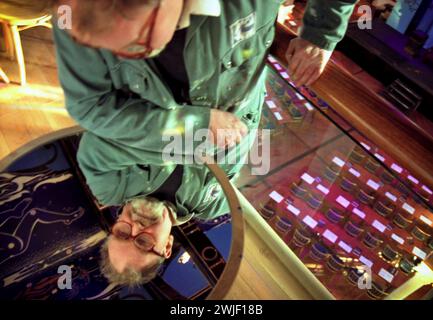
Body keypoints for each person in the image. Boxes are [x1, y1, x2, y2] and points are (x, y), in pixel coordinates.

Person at [43, 0, 357, 286]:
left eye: (123, 233)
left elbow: (101, 144)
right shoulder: (216, 204)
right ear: (166, 246)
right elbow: (240, 144)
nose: (134, 226)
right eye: (141, 242)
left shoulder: (108, 188)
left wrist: (189, 130)